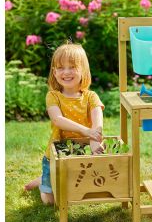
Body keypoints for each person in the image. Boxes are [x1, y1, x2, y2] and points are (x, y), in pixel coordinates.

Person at [24, 42, 105, 205]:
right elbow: (57, 120)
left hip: (82, 153)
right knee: (50, 201)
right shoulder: (53, 96)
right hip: (56, 155)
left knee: (80, 191)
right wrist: (86, 131)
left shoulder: (91, 97)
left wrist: (95, 140)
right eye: (60, 68)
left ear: (83, 70)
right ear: (54, 72)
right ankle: (43, 181)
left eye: (72, 67)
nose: (66, 72)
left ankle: (47, 180)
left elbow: (98, 122)